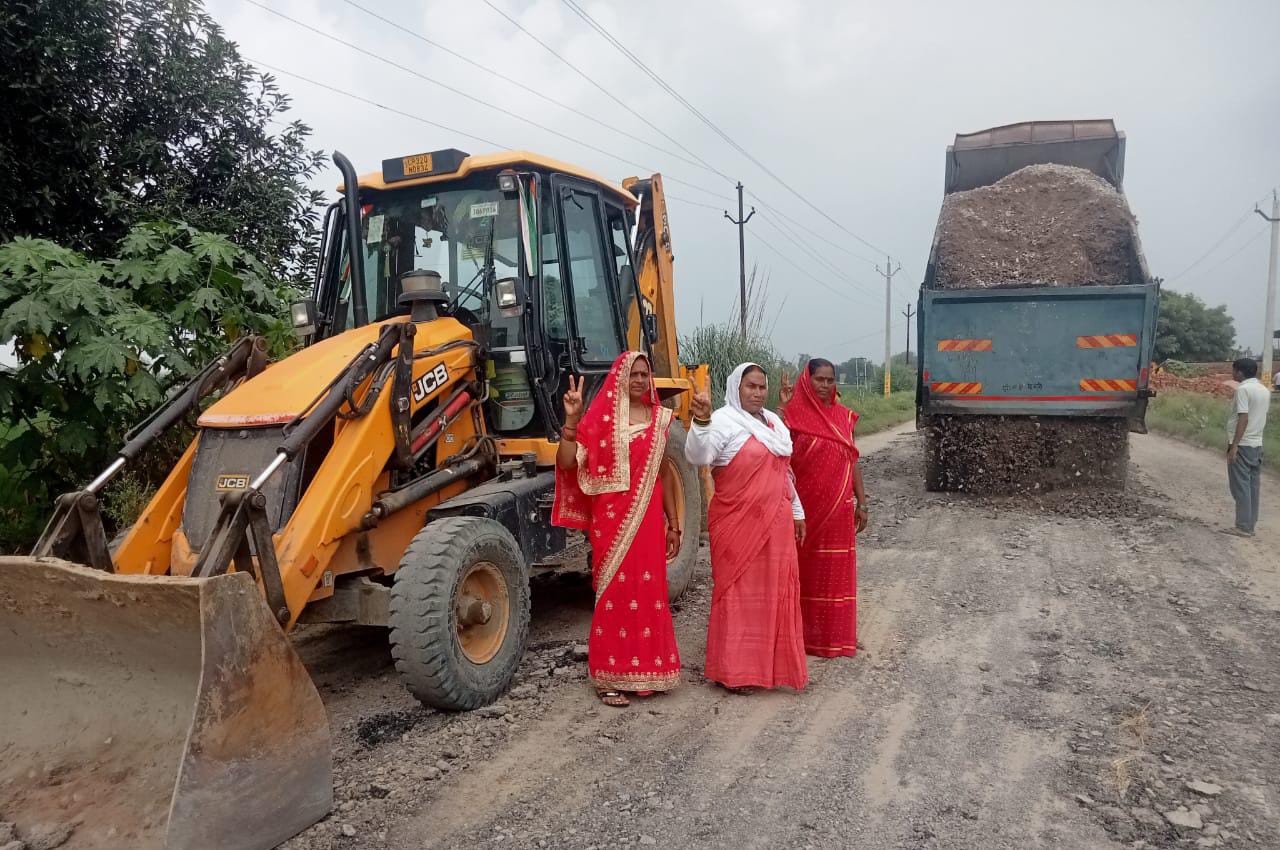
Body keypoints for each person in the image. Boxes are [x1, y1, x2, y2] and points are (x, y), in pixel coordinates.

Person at [553, 352, 683, 706]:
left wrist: (675, 524)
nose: (640, 380)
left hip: (650, 518)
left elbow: (664, 474)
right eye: (633, 374)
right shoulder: (601, 420)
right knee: (614, 594)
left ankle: (648, 670)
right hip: (613, 522)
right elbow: (567, 463)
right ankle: (609, 674)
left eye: (644, 374)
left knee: (650, 592)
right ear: (620, 378)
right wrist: (572, 419)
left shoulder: (659, 420)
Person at [685, 363, 808, 692]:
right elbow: (699, 457)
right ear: (736, 388)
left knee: (775, 593)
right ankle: (736, 672)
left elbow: (785, 473)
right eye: (750, 386)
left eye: (761, 387)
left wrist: (797, 511)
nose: (757, 392)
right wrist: (700, 421)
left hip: (778, 524)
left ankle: (770, 669)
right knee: (738, 593)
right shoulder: (724, 421)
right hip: (736, 523)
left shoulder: (774, 423)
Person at [779, 358, 868, 658]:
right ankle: (802, 638)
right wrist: (783, 409)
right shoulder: (791, 417)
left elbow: (851, 459)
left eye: (830, 380)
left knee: (835, 573)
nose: (826, 385)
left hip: (839, 510)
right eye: (820, 379)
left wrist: (863, 501)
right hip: (804, 511)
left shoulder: (843, 417)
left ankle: (836, 639)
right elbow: (779, 459)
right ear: (808, 380)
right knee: (805, 571)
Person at [1223, 357, 1269, 537]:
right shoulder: (1263, 389)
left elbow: (1244, 417)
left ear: (1240, 372)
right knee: (1252, 486)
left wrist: (1234, 445)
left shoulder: (1243, 389)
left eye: (1233, 370)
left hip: (1243, 444)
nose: (1232, 373)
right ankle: (1250, 524)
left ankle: (1243, 526)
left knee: (1240, 486)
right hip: (1257, 444)